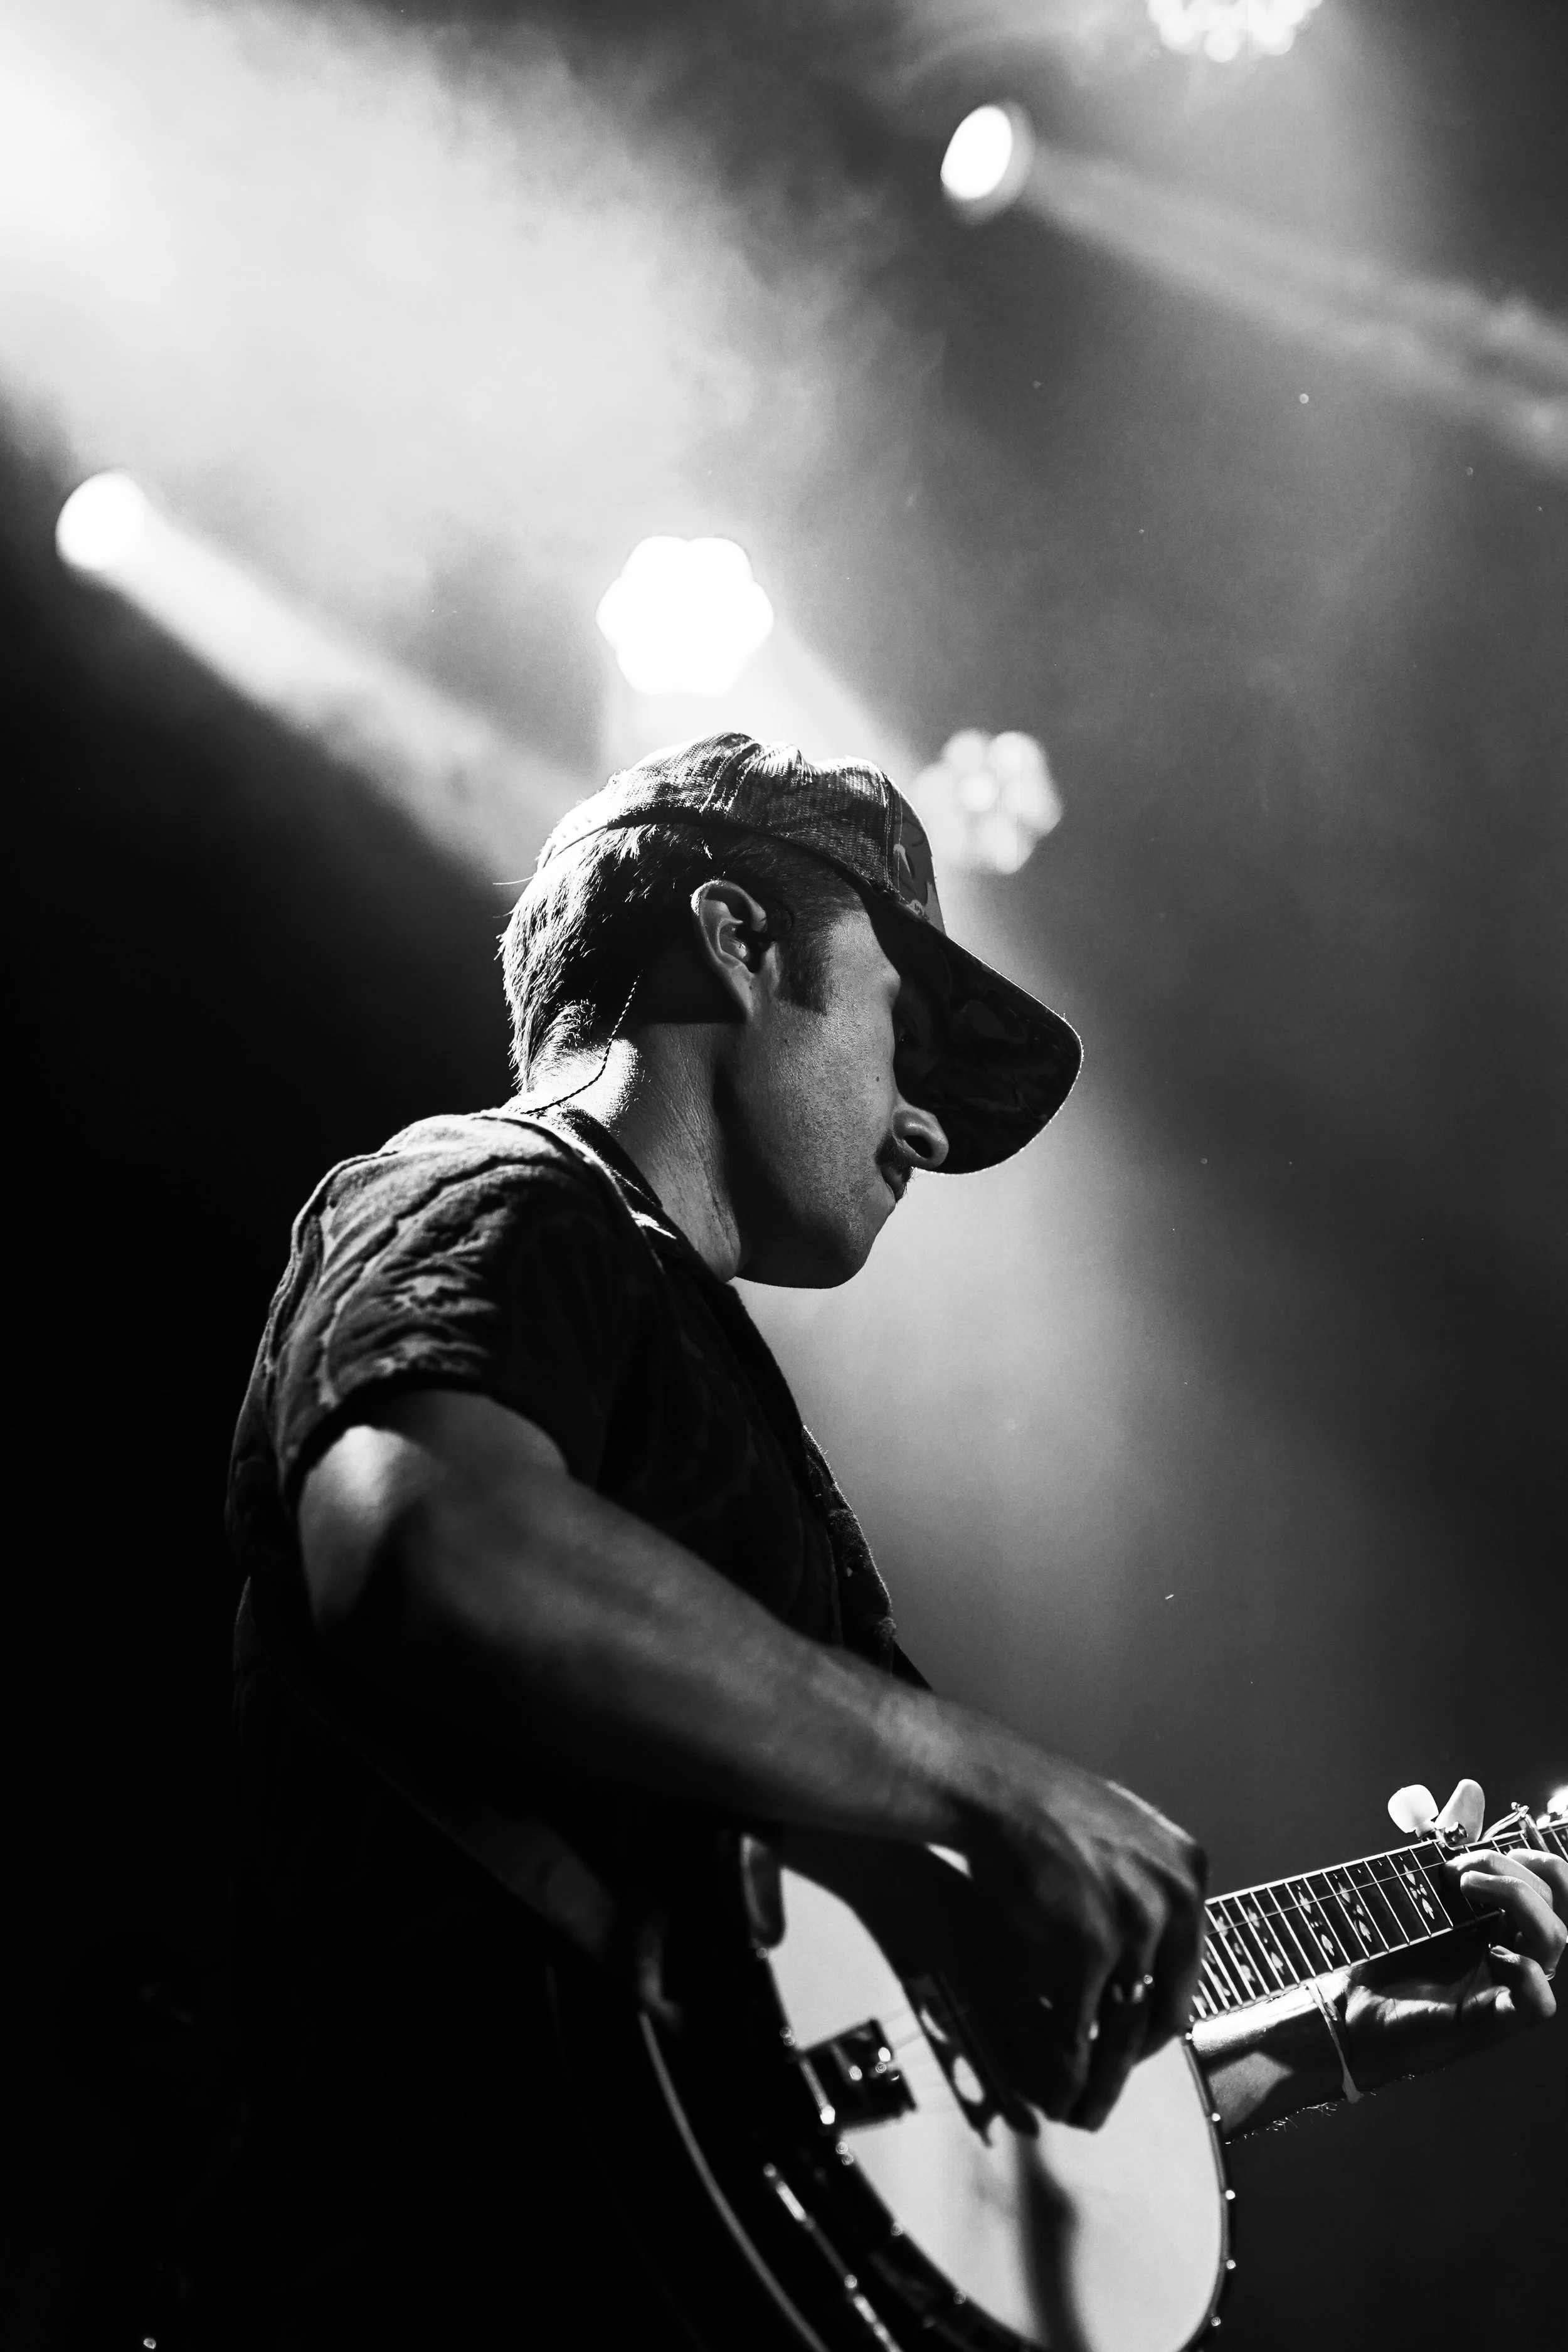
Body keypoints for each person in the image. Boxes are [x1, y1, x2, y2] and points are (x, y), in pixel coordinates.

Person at [226, 731, 1564, 2349]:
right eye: (905, 1034)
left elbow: (877, 2097)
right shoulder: (494, 1195)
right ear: (737, 941)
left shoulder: (704, 1379)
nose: (927, 1129)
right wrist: (985, 1786)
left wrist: (1320, 2039)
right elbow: (419, 1541)